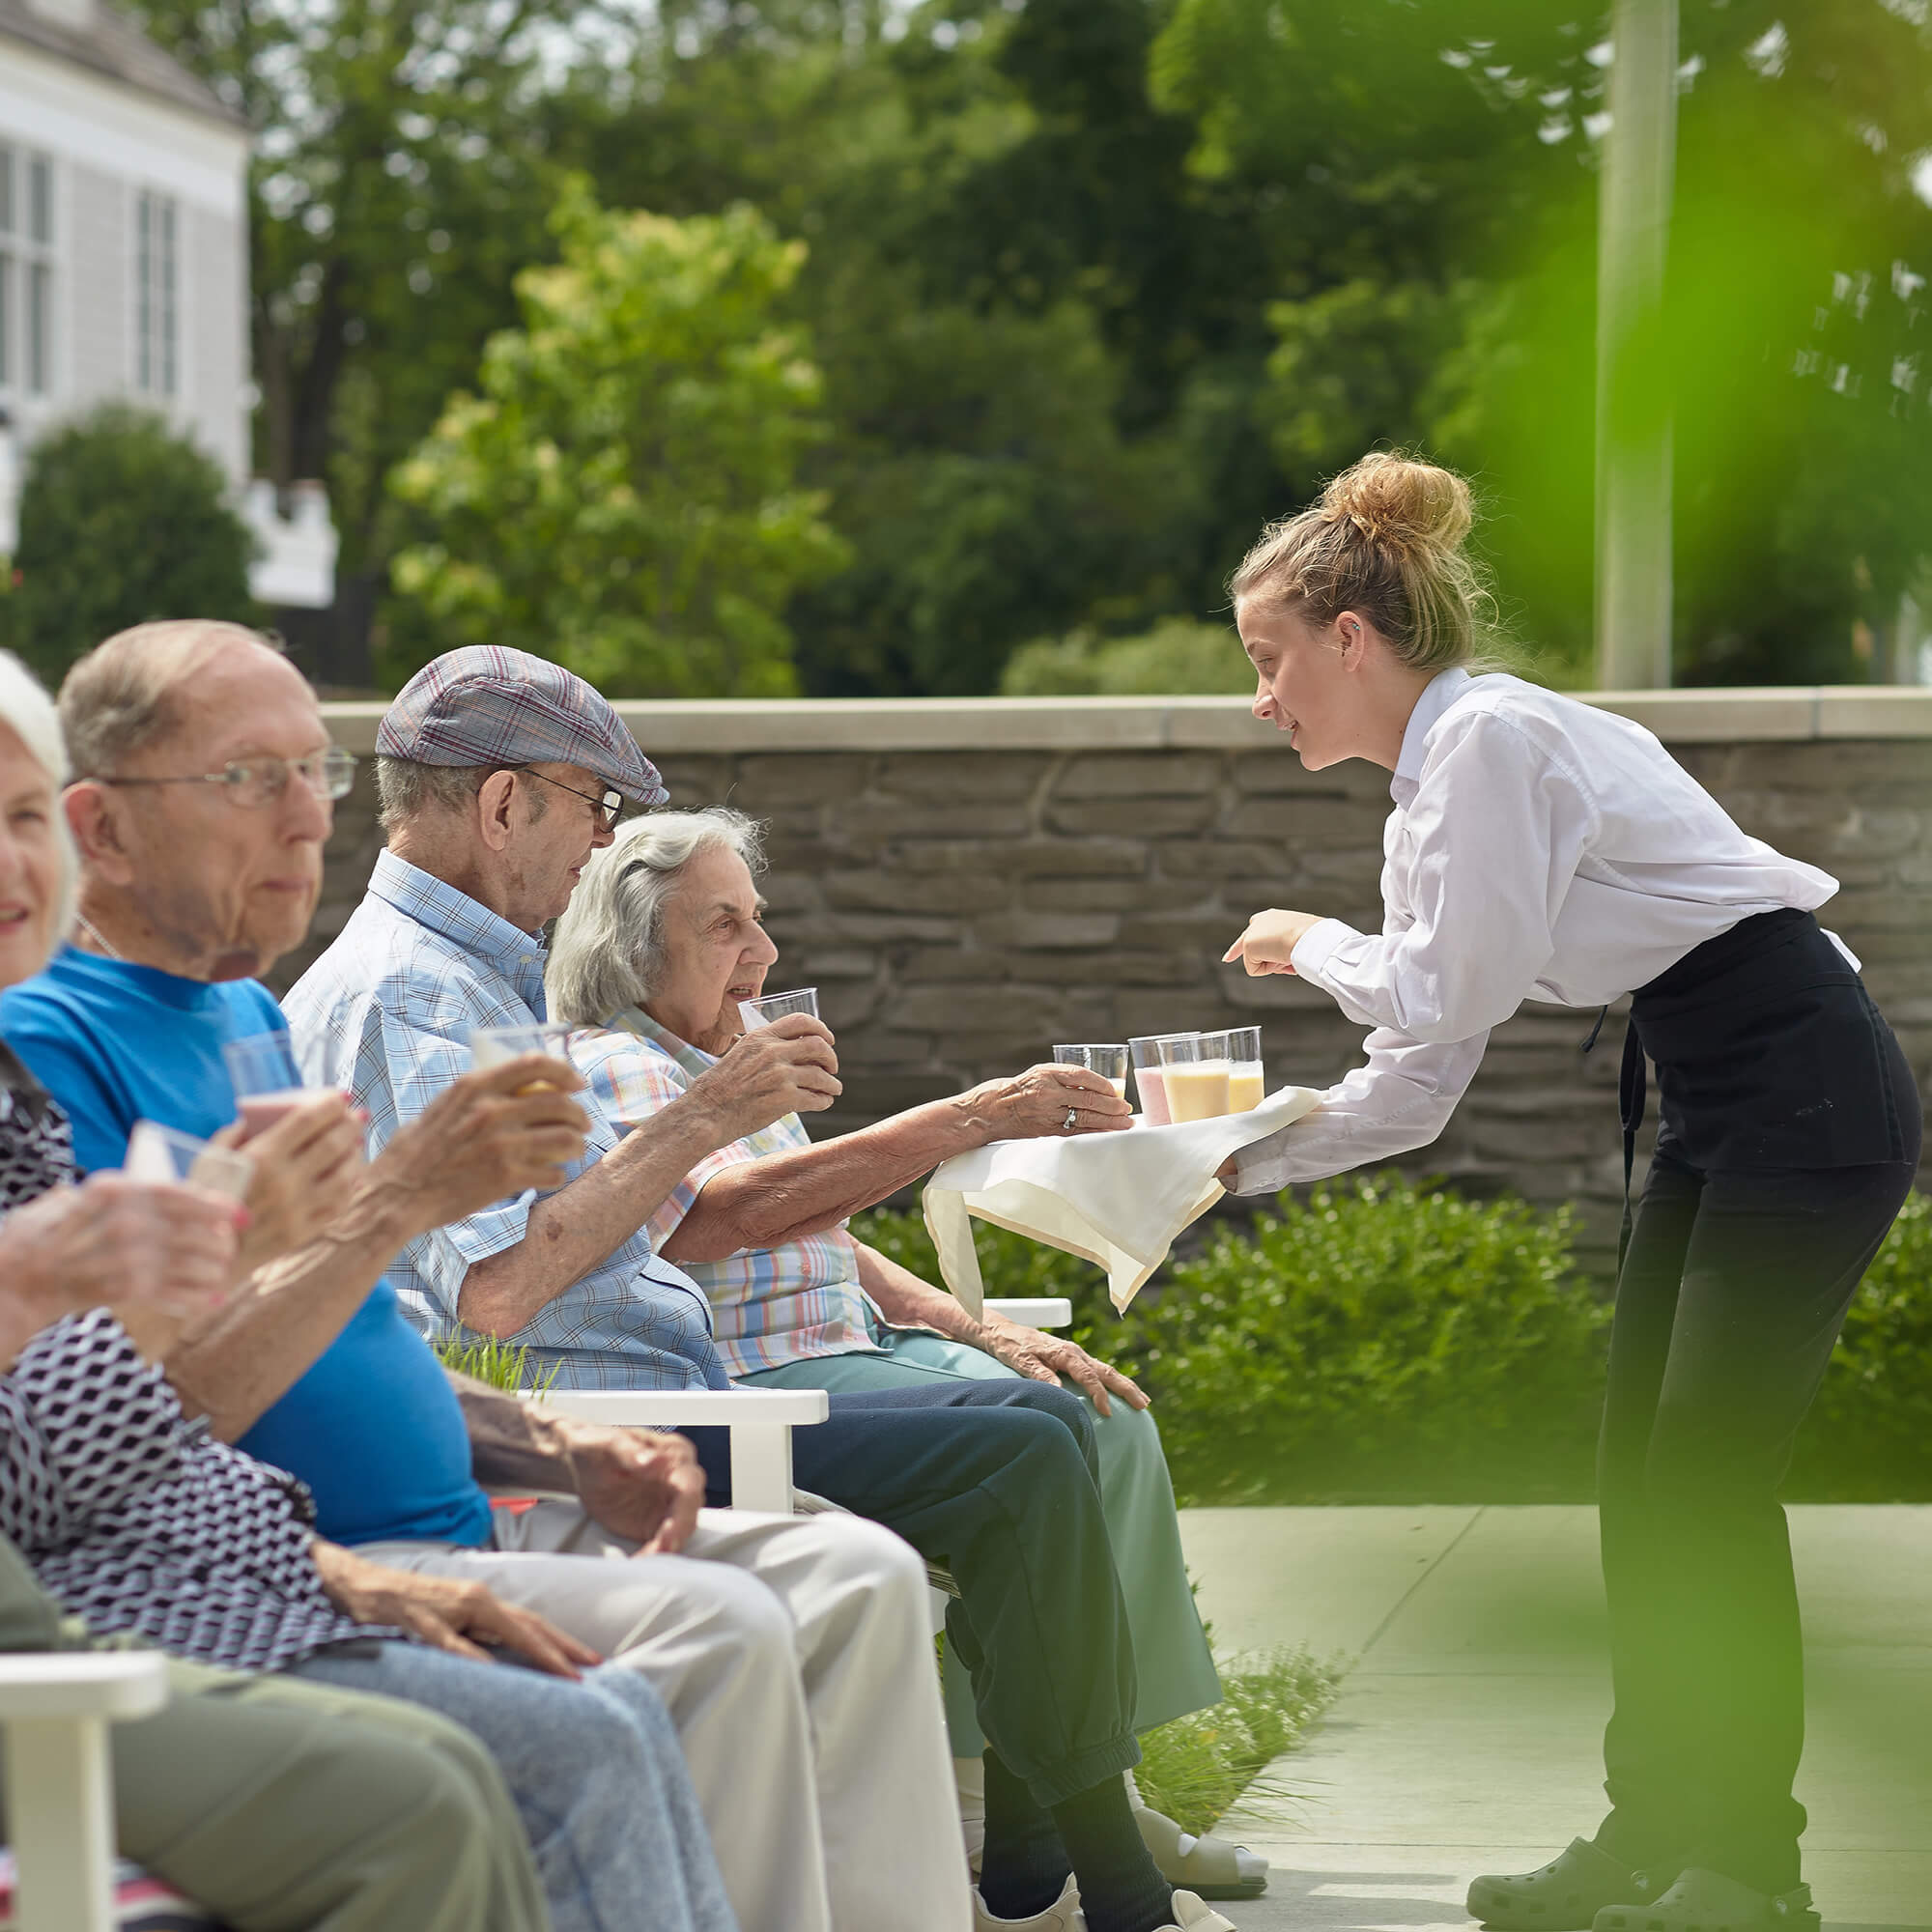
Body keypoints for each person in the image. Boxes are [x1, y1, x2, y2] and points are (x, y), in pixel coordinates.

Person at [6, 622, 975, 1932]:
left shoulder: (243, 1010)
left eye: (316, 773)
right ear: (102, 829)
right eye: (253, 779)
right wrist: (653, 1136)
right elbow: (463, 1301)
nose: (307, 819)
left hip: (445, 1499)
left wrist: (545, 1441)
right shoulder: (271, 1015)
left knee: (857, 1581)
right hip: (305, 1551)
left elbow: (344, 1328)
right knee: (702, 1652)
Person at [288, 642, 1238, 1932]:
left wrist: (956, 1315)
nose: (599, 842)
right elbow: (500, 1291)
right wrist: (706, 1118)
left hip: (661, 1399)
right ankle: (1096, 1870)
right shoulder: (416, 997)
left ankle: (1052, 1833)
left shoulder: (473, 979)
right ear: (506, 804)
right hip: (607, 1425)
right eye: (594, 805)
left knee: (1047, 1430)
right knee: (1018, 1466)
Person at [1213, 452, 1919, 1932]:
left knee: (1704, 1490)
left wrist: (1309, 940)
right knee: (1640, 1489)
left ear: (1352, 637)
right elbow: (1422, 1072)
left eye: (1269, 659)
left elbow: (1434, 985)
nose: (1259, 697)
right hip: (1720, 1095)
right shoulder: (1432, 794)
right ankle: (1653, 1833)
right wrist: (1220, 1166)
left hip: (1802, 1090)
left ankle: (1751, 1873)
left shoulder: (1486, 743)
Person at [545, 806, 1263, 1903]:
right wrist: (966, 1117)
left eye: (760, 920)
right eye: (724, 926)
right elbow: (733, 1212)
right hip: (768, 1378)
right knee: (1040, 1451)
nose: (764, 952)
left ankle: (1067, 1795)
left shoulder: (725, 1058)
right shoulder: (624, 1067)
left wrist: (976, 1326)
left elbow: (827, 1234)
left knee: (1097, 1414)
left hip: (851, 1343)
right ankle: (1067, 1810)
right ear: (634, 952)